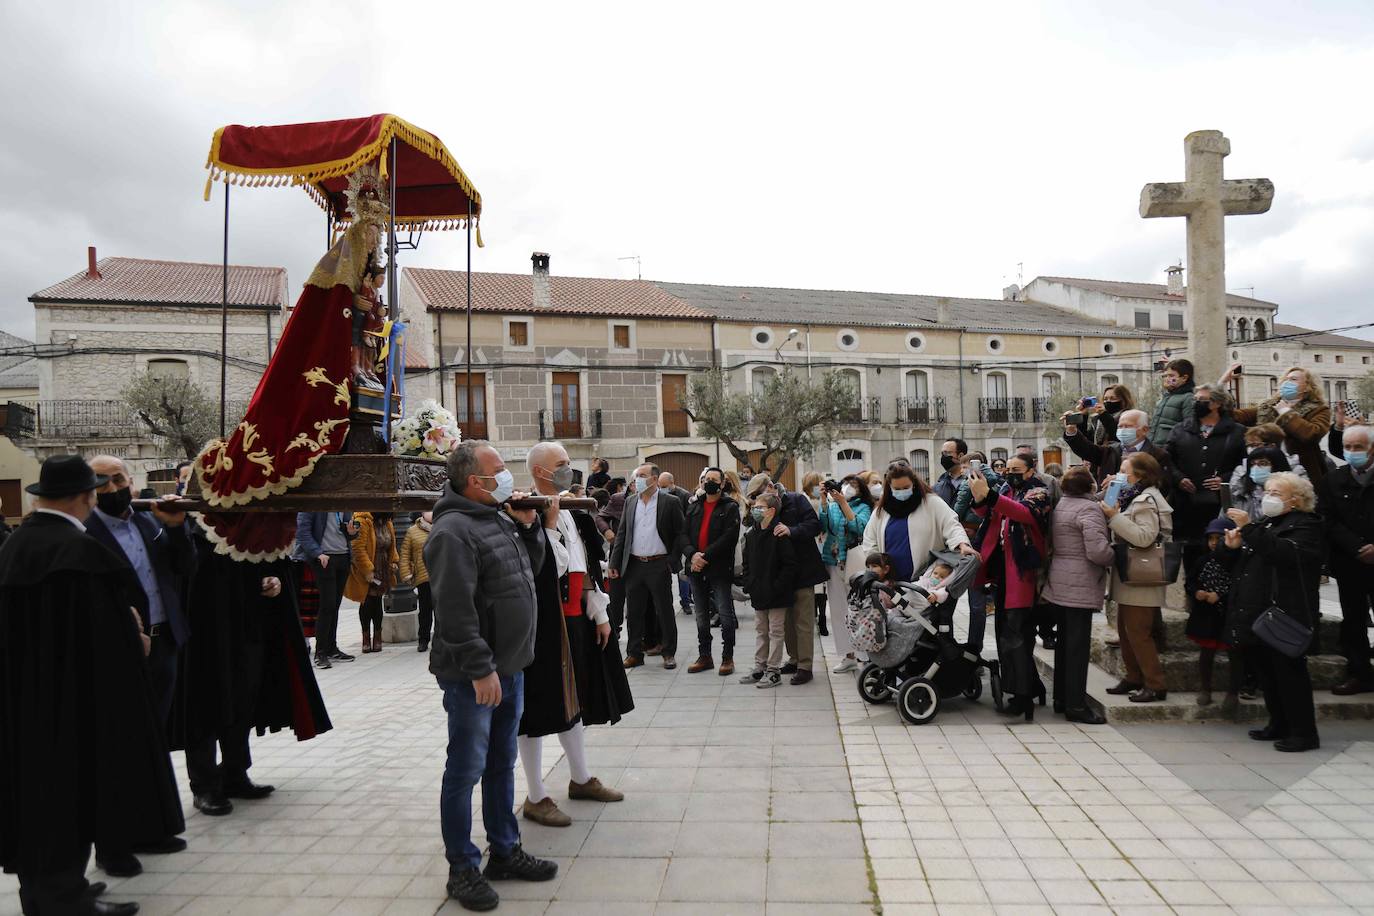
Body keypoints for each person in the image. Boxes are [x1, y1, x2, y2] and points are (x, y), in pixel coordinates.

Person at [0, 456, 181, 916]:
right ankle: (65, 900)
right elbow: (102, 640)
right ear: (86, 497)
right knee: (68, 797)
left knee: (33, 798)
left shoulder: (16, 546)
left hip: (23, 701)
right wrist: (135, 636)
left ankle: (45, 892)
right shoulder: (78, 554)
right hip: (72, 703)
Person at [424, 440, 559, 911]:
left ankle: (504, 849)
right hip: (474, 676)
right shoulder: (453, 532)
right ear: (472, 482)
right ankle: (462, 867)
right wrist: (480, 669)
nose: (506, 477)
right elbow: (455, 610)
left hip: (510, 668)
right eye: (497, 470)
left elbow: (529, 571)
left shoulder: (498, 517)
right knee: (465, 769)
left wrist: (531, 530)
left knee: (501, 763)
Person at [85, 456, 195, 878]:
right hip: (119, 651)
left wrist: (175, 529)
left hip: (164, 640)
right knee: (120, 746)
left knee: (154, 741)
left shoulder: (149, 523)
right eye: (101, 482)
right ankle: (113, 844)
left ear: (131, 482)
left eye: (118, 479)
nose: (112, 488)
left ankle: (152, 827)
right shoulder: (87, 533)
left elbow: (184, 569)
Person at [518, 442, 628, 829]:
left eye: (569, 462)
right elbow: (545, 567)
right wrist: (545, 525)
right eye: (560, 464)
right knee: (535, 708)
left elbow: (586, 567)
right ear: (538, 471)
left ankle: (580, 778)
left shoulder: (574, 513)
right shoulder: (523, 514)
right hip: (544, 623)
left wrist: (598, 613)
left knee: (575, 697)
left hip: (576, 618)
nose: (569, 469)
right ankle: (534, 795)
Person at [1221, 472, 1324, 752]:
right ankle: (1278, 723)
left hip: (1286, 611)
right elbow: (1252, 558)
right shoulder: (1267, 522)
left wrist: (1249, 529)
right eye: (1267, 491)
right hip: (1258, 610)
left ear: (1296, 500)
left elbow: (1285, 554)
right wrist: (1234, 547)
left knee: (1290, 674)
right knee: (1267, 673)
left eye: (1276, 493)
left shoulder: (1306, 526)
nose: (1269, 498)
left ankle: (1303, 732)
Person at [969, 454, 1052, 720]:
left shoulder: (1039, 492)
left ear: (1031, 470)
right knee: (1006, 631)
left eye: (1017, 469)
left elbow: (1024, 513)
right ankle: (1030, 686)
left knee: (1015, 635)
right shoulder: (1006, 489)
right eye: (1008, 469)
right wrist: (981, 496)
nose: (1011, 473)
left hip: (1022, 570)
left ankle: (1022, 696)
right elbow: (988, 514)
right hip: (1002, 570)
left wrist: (990, 496)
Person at [1040, 466, 1113, 724]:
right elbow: (1098, 552)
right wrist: (1116, 555)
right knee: (1077, 648)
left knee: (1065, 645)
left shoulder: (1062, 505)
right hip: (1080, 582)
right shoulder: (1089, 509)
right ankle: (1076, 705)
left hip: (1059, 579)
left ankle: (1061, 698)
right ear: (1090, 487)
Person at [1102, 452, 1174, 704]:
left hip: (1144, 575)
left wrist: (1113, 516)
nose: (1121, 475)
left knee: (1138, 631)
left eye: (1125, 471)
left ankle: (1155, 683)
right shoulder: (1131, 496)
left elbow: (1144, 537)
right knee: (1125, 629)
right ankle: (1133, 676)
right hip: (1130, 575)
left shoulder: (1147, 499)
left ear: (1140, 474)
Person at [744, 474, 828, 685]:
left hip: (802, 570)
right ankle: (793, 658)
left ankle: (805, 666)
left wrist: (792, 530)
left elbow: (814, 525)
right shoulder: (762, 511)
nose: (756, 502)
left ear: (770, 487)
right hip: (776, 576)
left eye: (759, 495)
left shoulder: (796, 500)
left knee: (803, 621)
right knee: (786, 622)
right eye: (754, 498)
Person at [610, 464, 686, 669]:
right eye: (635, 477)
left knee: (664, 610)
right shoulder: (630, 502)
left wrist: (672, 560)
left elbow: (680, 533)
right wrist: (614, 562)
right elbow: (622, 534)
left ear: (654, 479)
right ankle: (634, 653)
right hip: (634, 564)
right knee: (634, 611)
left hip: (659, 564)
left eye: (642, 476)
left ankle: (668, 652)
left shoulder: (670, 502)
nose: (637, 480)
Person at [1319, 424, 1374, 696]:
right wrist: (1357, 546)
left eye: (1359, 447)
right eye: (1349, 447)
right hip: (1350, 562)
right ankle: (1360, 673)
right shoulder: (1334, 479)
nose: (1353, 452)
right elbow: (1327, 519)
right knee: (1353, 620)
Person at [1223, 364, 1333, 486]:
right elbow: (1233, 416)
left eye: (1293, 379)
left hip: (1300, 473)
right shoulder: (1267, 407)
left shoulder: (1319, 409)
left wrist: (1286, 413)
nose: (1287, 382)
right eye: (1285, 379)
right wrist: (1223, 385)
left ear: (1307, 387)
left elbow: (1311, 434)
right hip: (1264, 468)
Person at [683, 467, 742, 675]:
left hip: (718, 569)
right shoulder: (693, 506)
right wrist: (692, 555)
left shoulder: (730, 507)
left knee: (725, 614)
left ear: (722, 483)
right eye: (706, 479)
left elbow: (729, 538)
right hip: (695, 568)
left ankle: (728, 658)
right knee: (701, 615)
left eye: (714, 479)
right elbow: (683, 535)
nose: (709, 482)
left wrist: (704, 557)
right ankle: (705, 656)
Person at [739, 491, 796, 688]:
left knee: (775, 631)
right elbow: (747, 563)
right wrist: (749, 583)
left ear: (771, 511)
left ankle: (773, 671)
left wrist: (776, 587)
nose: (755, 510)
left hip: (778, 594)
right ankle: (759, 667)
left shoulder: (779, 534)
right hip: (758, 591)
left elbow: (790, 565)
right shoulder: (752, 534)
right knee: (761, 630)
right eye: (754, 507)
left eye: (759, 508)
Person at [819, 474, 874, 672]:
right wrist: (824, 502)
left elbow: (859, 527)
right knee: (838, 610)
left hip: (855, 561)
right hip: (833, 561)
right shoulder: (833, 506)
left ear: (861, 490)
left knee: (859, 607)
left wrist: (844, 505)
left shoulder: (865, 507)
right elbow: (824, 527)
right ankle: (847, 655)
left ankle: (865, 654)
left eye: (854, 485)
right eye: (846, 484)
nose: (849, 488)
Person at [1184, 517, 1239, 712]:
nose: (1214, 543)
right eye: (1211, 538)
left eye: (1219, 538)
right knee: (1206, 654)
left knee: (1235, 655)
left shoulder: (1238, 562)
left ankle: (1234, 692)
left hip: (1228, 616)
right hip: (1206, 615)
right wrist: (1197, 592)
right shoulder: (1203, 561)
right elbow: (1190, 582)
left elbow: (1240, 587)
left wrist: (1221, 596)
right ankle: (1205, 688)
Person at [292, 510, 359, 669]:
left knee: (335, 605)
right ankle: (320, 652)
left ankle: (331, 648)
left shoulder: (344, 505)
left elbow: (349, 532)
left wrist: (352, 532)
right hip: (324, 559)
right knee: (327, 606)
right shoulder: (314, 506)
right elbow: (302, 533)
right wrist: (318, 553)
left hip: (343, 556)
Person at [1064, 408, 1173, 488]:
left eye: (1128, 426)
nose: (1123, 430)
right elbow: (1086, 449)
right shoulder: (1110, 450)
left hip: (1139, 511)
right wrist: (1072, 430)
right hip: (1109, 506)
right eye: (1120, 426)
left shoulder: (1158, 455)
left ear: (1144, 430)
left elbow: (1162, 485)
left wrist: (1124, 481)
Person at [345, 511, 400, 653]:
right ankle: (366, 637)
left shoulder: (386, 522)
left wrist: (393, 561)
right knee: (367, 601)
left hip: (382, 567)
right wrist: (367, 570)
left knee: (377, 602)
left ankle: (377, 637)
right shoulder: (362, 520)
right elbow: (357, 548)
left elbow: (392, 545)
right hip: (367, 567)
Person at [657, 471, 695, 615]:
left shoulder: (684, 496)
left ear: (672, 483)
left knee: (682, 572)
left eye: (664, 486)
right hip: (667, 540)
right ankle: (684, 599)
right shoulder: (661, 495)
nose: (662, 489)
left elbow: (689, 516)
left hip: (681, 538)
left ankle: (685, 601)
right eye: (660, 486)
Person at [400, 510, 433, 652]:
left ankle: (442, 639)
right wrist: (406, 573)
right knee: (425, 610)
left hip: (443, 575)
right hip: (423, 577)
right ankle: (423, 639)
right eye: (427, 510)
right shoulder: (412, 531)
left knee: (442, 611)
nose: (431, 513)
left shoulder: (444, 526)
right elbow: (405, 554)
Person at [1233, 447, 1291, 520]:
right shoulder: (1239, 491)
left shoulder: (1290, 494)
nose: (1256, 468)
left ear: (1277, 465)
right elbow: (1225, 519)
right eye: (1252, 464)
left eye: (1263, 463)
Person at [1149, 357, 1196, 446]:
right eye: (1165, 376)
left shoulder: (1188, 398)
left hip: (1170, 449)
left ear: (1184, 378)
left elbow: (1189, 427)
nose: (1167, 379)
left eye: (1171, 376)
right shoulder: (1165, 397)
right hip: (1155, 448)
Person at [1084, 384, 1135, 448]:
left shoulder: (1130, 416)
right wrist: (1083, 416)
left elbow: (1118, 436)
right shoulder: (1097, 419)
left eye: (1113, 398)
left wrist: (1104, 415)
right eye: (1105, 399)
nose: (1108, 401)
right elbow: (1086, 441)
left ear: (1123, 400)